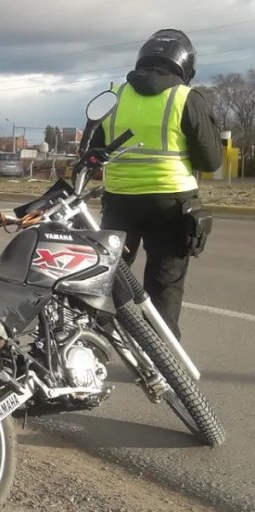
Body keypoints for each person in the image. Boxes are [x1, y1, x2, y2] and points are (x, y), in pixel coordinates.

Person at [88, 28, 221, 340]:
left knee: (110, 277)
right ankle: (160, 362)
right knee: (164, 285)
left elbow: (91, 153)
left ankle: (94, 346)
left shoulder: (114, 95)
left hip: (120, 202)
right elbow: (211, 162)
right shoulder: (185, 98)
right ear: (186, 67)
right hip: (171, 204)